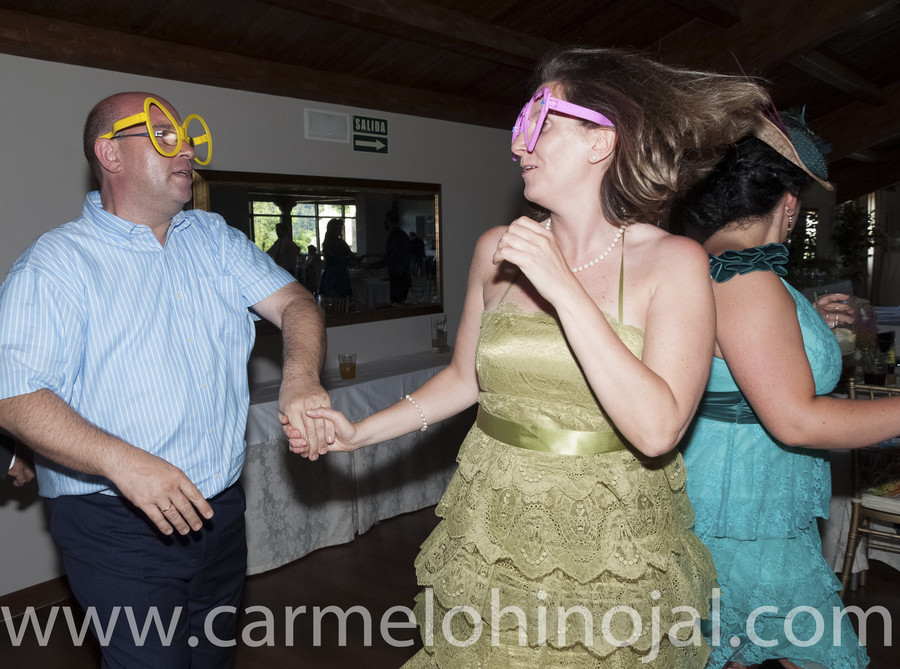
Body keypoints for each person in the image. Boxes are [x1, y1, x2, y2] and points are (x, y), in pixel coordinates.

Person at [298, 47, 771, 666]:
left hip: (607, 545)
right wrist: (359, 433)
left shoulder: (674, 263)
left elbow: (658, 430)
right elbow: (465, 379)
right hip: (494, 528)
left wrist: (564, 289)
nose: (519, 144)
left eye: (539, 123)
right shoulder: (499, 248)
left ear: (601, 141)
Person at [0, 91, 331, 668]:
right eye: (162, 135)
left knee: (212, 660)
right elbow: (14, 396)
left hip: (221, 510)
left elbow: (298, 304)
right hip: (115, 523)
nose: (186, 150)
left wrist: (300, 376)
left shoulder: (213, 239)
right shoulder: (54, 265)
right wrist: (123, 461)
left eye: (187, 136)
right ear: (110, 153)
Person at [676, 113, 878, 668]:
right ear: (790, 202)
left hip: (734, 496)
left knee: (730, 648)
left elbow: (734, 349)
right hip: (747, 508)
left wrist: (802, 316)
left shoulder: (719, 267)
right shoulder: (748, 280)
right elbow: (798, 421)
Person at [319, 217, 354, 299]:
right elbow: (347, 256)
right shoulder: (339, 243)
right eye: (339, 228)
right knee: (340, 297)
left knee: (333, 298)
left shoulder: (329, 243)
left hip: (333, 274)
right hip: (337, 274)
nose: (341, 230)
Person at [384, 210, 413, 303]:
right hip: (405, 276)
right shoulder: (403, 235)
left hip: (398, 278)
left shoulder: (393, 236)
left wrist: (370, 266)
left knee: (396, 305)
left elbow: (389, 258)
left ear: (388, 220)